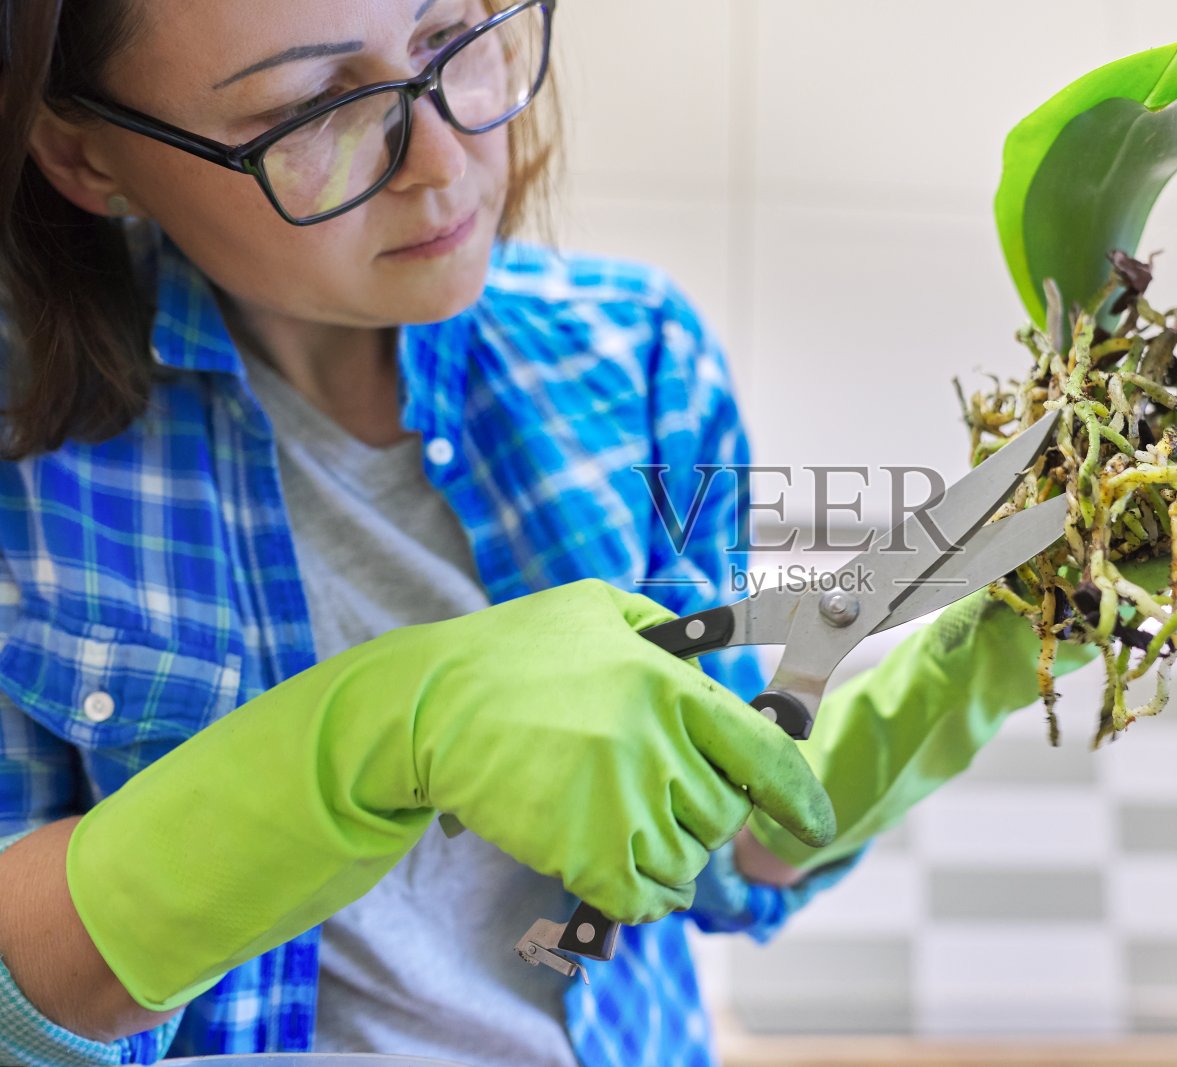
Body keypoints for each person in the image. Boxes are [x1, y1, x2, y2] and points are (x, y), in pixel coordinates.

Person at [0, 2, 1094, 1064]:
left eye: (448, 40)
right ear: (83, 151)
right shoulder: (25, 451)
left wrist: (989, 652)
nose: (440, 160)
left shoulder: (634, 359)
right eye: (308, 109)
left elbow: (721, 851)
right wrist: (368, 734)